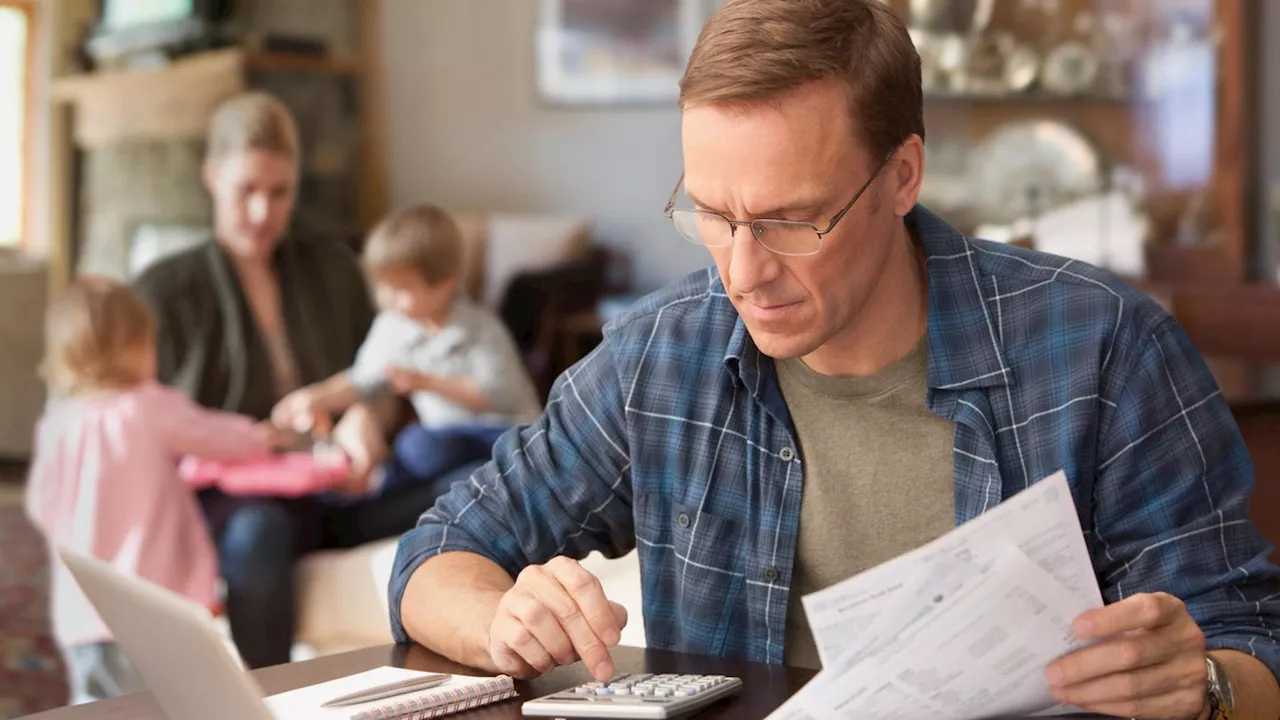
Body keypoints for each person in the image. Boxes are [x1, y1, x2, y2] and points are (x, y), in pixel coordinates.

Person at [389, 2, 1280, 718]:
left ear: (902, 176)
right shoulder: (661, 355)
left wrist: (1202, 689)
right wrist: (501, 617)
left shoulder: (1103, 348)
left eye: (790, 220)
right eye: (713, 213)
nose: (743, 271)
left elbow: (1253, 643)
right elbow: (438, 553)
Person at [133, 91, 438, 669]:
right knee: (258, 537)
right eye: (246, 190)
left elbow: (386, 378)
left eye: (279, 192)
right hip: (236, 502)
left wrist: (364, 420)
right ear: (211, 177)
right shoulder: (163, 293)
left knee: (476, 476)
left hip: (337, 487)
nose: (261, 212)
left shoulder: (335, 270)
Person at [24, 278, 279, 704]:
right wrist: (260, 435)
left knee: (97, 709)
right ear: (136, 346)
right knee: (166, 705)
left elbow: (39, 505)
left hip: (81, 613)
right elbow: (211, 435)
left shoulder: (57, 423)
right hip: (150, 610)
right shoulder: (146, 405)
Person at [271, 203, 542, 500]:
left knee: (419, 446)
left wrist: (425, 382)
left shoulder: (481, 328)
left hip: (501, 434)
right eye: (381, 288)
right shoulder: (393, 326)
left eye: (402, 289)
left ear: (445, 284)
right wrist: (314, 397)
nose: (387, 300)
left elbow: (498, 394)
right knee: (416, 458)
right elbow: (362, 380)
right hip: (446, 444)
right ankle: (369, 495)